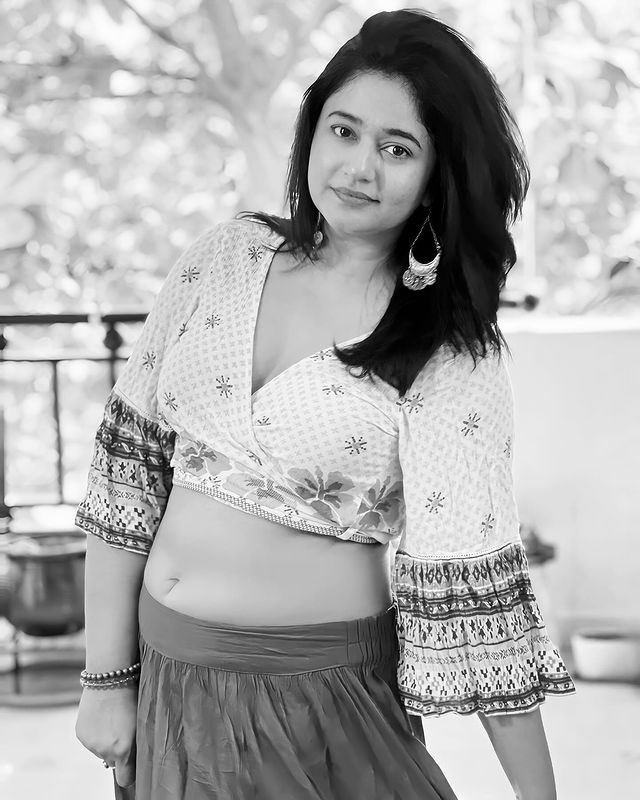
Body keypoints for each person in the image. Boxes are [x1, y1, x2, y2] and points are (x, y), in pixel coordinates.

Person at [74, 9, 575, 800]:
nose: (359, 167)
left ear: (437, 176)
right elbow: (126, 480)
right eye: (344, 131)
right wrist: (106, 678)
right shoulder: (227, 257)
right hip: (169, 690)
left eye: (397, 148)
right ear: (313, 131)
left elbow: (478, 593)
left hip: (321, 709)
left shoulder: (447, 350)